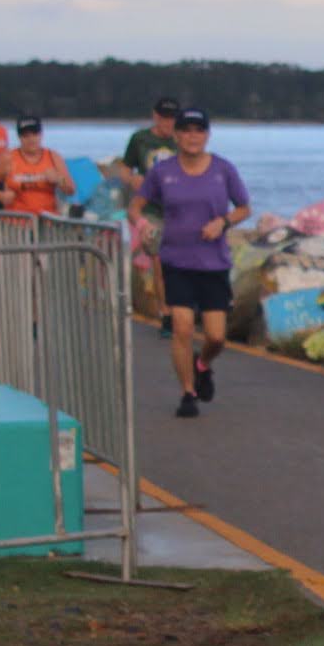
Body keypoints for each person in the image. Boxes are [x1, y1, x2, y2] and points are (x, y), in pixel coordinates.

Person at [127, 108, 250, 420]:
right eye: (186, 130)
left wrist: (222, 222)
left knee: (216, 337)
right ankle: (187, 392)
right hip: (176, 261)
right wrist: (143, 226)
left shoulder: (223, 169)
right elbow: (136, 206)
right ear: (177, 135)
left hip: (213, 263)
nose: (192, 136)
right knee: (181, 327)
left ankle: (203, 365)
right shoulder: (162, 171)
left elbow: (244, 208)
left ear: (207, 135)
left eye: (199, 130)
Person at [0, 117, 77, 218]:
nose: (31, 139)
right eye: (26, 136)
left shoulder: (53, 157)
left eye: (35, 135)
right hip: (16, 222)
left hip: (46, 220)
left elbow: (71, 190)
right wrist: (0, 196)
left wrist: (58, 179)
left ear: (41, 135)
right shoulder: (9, 157)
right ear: (19, 137)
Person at [121, 97, 180, 177]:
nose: (169, 122)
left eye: (173, 118)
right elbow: (126, 169)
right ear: (155, 116)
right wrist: (132, 181)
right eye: (165, 117)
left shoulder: (183, 140)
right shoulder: (139, 138)